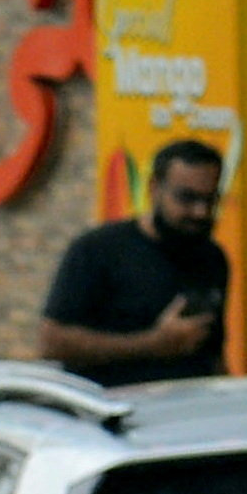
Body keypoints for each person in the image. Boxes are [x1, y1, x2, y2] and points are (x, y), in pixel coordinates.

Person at [39, 138, 231, 384]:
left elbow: (214, 355)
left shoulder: (212, 258)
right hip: (113, 411)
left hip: (187, 412)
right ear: (154, 188)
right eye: (187, 198)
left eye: (210, 200)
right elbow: (52, 342)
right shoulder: (98, 250)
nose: (200, 212)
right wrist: (152, 344)